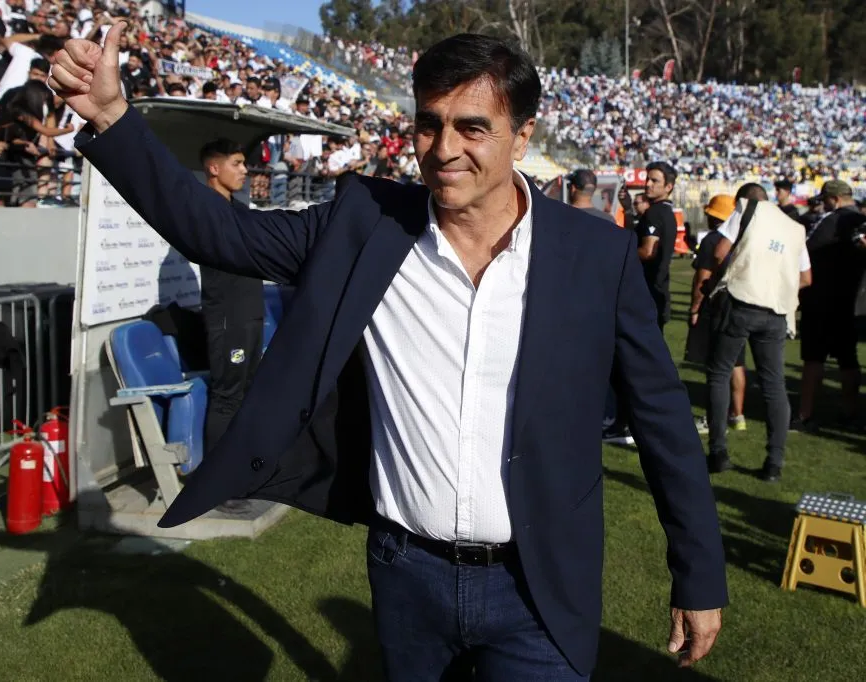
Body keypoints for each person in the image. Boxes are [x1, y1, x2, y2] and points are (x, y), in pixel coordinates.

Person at [52, 27, 727, 680]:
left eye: (472, 127)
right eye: (429, 124)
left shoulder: (594, 254)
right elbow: (219, 232)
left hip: (542, 584)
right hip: (407, 576)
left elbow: (663, 419)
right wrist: (113, 115)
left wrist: (697, 574)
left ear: (522, 136)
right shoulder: (366, 221)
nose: (444, 149)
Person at [704, 184, 811, 480]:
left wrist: (721, 280)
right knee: (774, 385)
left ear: (743, 200)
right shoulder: (795, 227)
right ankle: (774, 462)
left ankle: (718, 452)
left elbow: (720, 251)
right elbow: (806, 277)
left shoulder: (746, 210)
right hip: (776, 311)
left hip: (741, 301)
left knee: (719, 373)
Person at [196, 138, 265, 459]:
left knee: (249, 393)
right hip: (228, 319)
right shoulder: (205, 209)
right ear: (214, 168)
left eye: (243, 163)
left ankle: (239, 470)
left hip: (250, 314)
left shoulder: (239, 208)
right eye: (236, 164)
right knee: (227, 395)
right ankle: (216, 484)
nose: (244, 170)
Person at [793, 180, 866, 432]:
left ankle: (805, 414)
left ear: (833, 199)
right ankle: (850, 410)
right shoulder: (860, 221)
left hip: (822, 299)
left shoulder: (832, 220)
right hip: (851, 299)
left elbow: (805, 249)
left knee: (813, 358)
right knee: (848, 359)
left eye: (825, 200)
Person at [689, 195, 746, 434]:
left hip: (716, 306)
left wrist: (694, 308)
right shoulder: (744, 239)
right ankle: (738, 414)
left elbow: (703, 277)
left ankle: (714, 419)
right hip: (741, 303)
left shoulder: (714, 240)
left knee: (716, 367)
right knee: (738, 363)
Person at [637, 161, 679, 331]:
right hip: (659, 288)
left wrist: (619, 253)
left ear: (668, 187)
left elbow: (648, 252)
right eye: (647, 179)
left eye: (654, 181)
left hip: (647, 290)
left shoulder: (654, 213)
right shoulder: (667, 212)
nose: (648, 184)